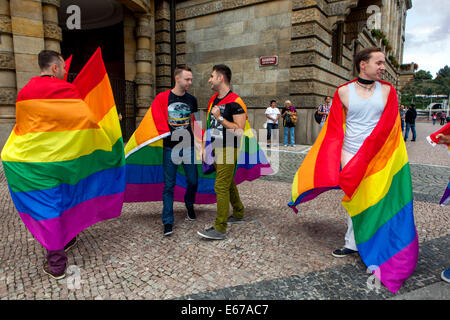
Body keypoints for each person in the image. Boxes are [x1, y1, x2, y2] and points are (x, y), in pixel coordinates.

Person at [197, 64, 246, 240]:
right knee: (228, 181)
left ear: (220, 78)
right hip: (215, 146)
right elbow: (208, 126)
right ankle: (239, 212)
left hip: (229, 147)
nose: (209, 80)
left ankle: (220, 227)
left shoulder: (236, 101)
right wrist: (203, 147)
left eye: (211, 76)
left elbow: (240, 130)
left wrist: (220, 118)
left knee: (220, 185)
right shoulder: (213, 100)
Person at [161, 66, 199, 236]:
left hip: (188, 146)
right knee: (169, 185)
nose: (190, 82)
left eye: (191, 79)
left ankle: (189, 203)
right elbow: (155, 119)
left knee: (193, 180)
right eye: (187, 79)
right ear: (177, 78)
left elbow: (193, 123)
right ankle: (167, 221)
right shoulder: (163, 98)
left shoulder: (192, 99)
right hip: (170, 147)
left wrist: (198, 143)